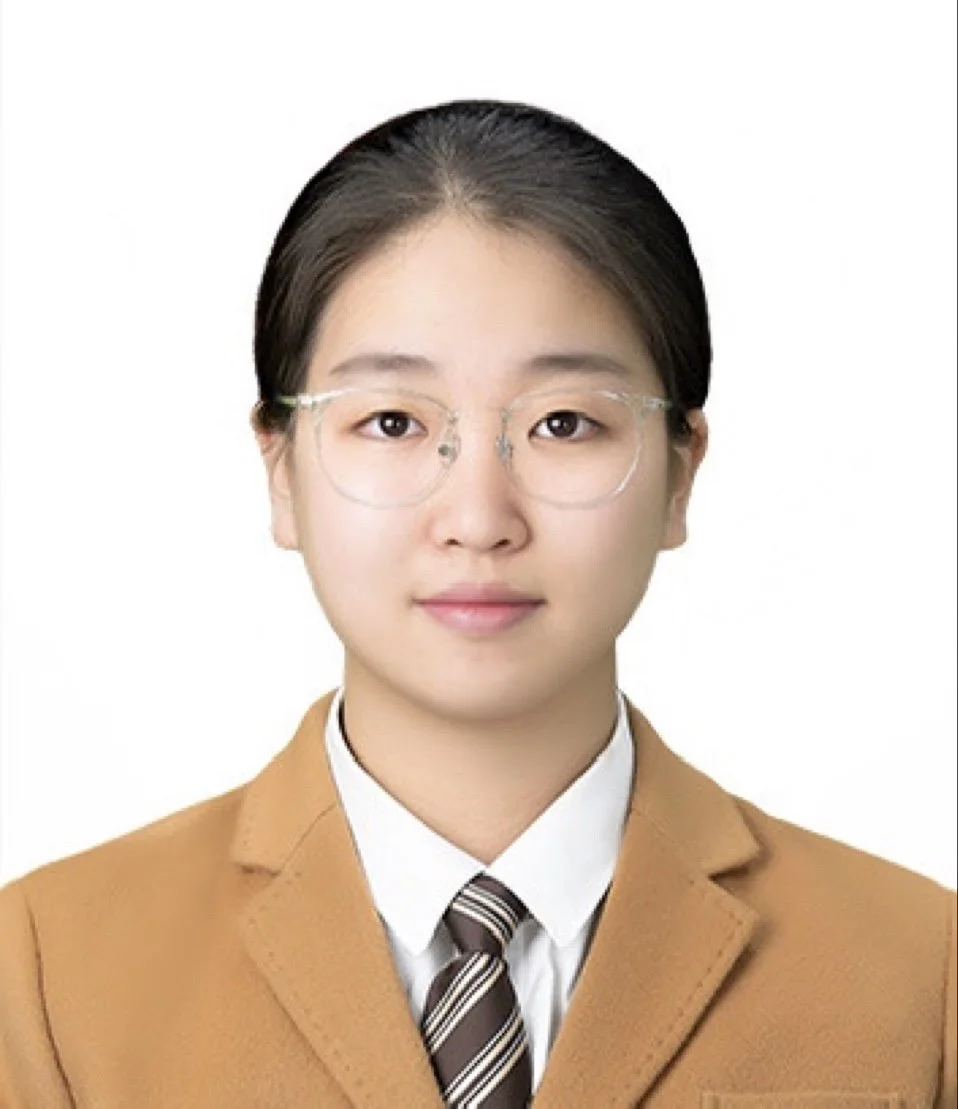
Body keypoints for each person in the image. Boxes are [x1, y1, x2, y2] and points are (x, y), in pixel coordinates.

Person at [0, 98, 954, 1109]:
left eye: (563, 422)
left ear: (681, 471)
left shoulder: (918, 973)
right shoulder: (49, 972)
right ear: (281, 470)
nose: (477, 518)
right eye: (393, 421)